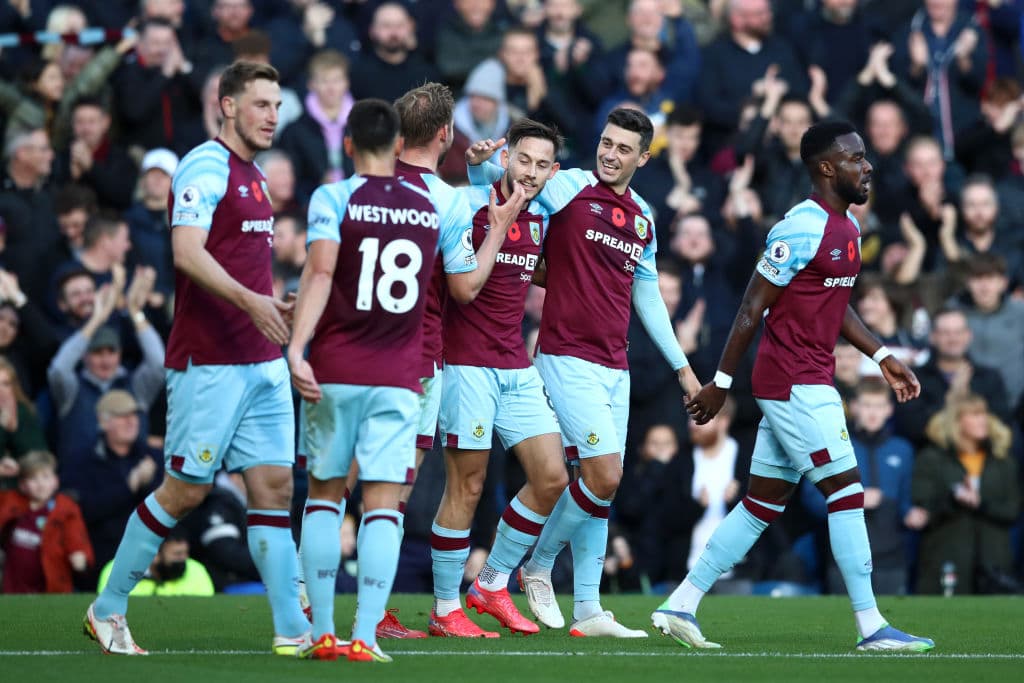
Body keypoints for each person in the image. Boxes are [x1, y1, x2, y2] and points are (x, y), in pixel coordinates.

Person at [656, 120, 934, 652]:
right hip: (794, 383)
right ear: (827, 167)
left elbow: (835, 304)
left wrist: (881, 354)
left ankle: (681, 603)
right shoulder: (800, 227)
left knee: (762, 504)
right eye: (855, 157)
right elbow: (751, 306)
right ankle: (872, 626)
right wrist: (719, 383)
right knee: (848, 492)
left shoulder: (848, 230)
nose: (867, 165)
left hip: (804, 378)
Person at [83, 61, 308, 657]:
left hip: (262, 361)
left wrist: (273, 306)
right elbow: (185, 252)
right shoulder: (204, 166)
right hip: (208, 363)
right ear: (227, 104)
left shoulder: (254, 177)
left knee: (274, 488)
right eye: (261, 104)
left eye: (278, 105)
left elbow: (239, 265)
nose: (272, 116)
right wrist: (250, 300)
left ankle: (293, 632)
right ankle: (106, 608)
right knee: (184, 490)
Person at [287, 98, 522, 662]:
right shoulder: (436, 205)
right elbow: (464, 288)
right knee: (388, 497)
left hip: (336, 359)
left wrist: (297, 341)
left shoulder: (336, 195)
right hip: (407, 367)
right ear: (443, 134)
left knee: (327, 492)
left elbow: (318, 273)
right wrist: (499, 225)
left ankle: (313, 619)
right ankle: (367, 631)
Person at [467, 107, 701, 637]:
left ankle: (589, 610)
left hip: (614, 367)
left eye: (623, 148)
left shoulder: (643, 215)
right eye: (605, 142)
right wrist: (481, 169)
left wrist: (683, 369)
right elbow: (506, 192)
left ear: (643, 158)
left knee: (599, 490)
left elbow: (648, 296)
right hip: (564, 356)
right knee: (604, 474)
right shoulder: (567, 185)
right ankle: (530, 567)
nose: (610, 153)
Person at [430, 119, 567, 638]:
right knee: (466, 485)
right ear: (506, 159)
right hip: (465, 365)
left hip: (515, 364)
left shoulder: (541, 217)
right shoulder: (469, 205)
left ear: (553, 171)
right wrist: (473, 169)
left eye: (541, 165)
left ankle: (489, 584)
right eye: (523, 160)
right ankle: (446, 609)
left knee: (552, 478)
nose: (530, 173)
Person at [801, 377, 916, 595]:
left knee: (894, 622)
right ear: (854, 407)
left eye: (879, 405)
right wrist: (854, 500)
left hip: (891, 558)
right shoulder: (834, 446)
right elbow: (811, 500)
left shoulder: (902, 449)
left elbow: (906, 502)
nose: (873, 413)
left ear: (889, 410)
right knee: (843, 623)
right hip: (843, 556)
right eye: (866, 405)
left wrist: (914, 514)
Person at [911, 393, 1020, 594]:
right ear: (956, 422)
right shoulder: (932, 459)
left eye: (983, 414)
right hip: (946, 557)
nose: (982, 420)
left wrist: (981, 504)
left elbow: (1013, 511)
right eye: (974, 415)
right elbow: (922, 510)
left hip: (993, 560)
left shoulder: (1003, 461)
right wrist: (954, 500)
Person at [0, 450, 93, 593]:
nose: (40, 484)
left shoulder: (65, 508)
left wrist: (80, 554)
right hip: (14, 587)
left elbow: (76, 535)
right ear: (23, 484)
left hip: (52, 588)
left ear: (55, 481)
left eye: (45, 477)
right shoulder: (11, 501)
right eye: (33, 478)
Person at [97, 528, 215, 597]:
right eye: (177, 554)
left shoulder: (196, 571)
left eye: (185, 553)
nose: (184, 559)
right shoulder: (118, 570)